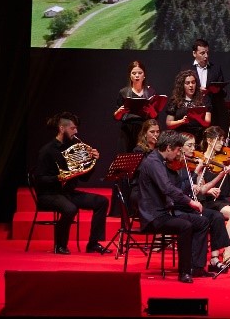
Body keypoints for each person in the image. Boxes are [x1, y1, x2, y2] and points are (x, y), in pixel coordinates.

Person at [134, 129, 215, 283]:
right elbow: (167, 188)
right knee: (185, 226)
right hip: (153, 216)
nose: (179, 153)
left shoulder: (161, 161)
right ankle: (184, 272)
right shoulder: (153, 162)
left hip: (164, 212)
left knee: (203, 221)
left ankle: (196, 267)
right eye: (178, 149)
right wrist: (190, 201)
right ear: (169, 147)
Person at [34, 111, 113, 255]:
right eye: (73, 128)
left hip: (68, 193)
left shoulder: (75, 146)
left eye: (76, 128)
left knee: (102, 202)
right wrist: (59, 177)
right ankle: (60, 245)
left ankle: (93, 244)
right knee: (70, 209)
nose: (76, 131)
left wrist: (92, 161)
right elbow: (39, 180)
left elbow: (83, 178)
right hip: (49, 194)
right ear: (61, 128)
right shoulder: (47, 151)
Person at [175, 130, 230, 272]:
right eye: (189, 146)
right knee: (209, 218)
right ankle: (198, 265)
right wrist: (197, 170)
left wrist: (221, 175)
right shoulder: (178, 165)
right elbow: (183, 189)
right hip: (182, 205)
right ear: (180, 147)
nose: (193, 149)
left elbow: (201, 190)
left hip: (192, 204)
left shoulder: (191, 163)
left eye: (193, 145)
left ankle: (215, 258)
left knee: (217, 217)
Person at [113, 60, 161, 152]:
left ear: (144, 75)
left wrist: (151, 111)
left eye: (140, 73)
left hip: (145, 129)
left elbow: (155, 117)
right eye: (134, 73)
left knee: (144, 155)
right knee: (128, 157)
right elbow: (116, 117)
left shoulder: (150, 92)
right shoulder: (124, 92)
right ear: (130, 76)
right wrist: (120, 112)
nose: (137, 75)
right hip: (128, 129)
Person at [188, 38, 227, 122]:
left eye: (207, 53)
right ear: (194, 53)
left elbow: (223, 92)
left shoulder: (216, 69)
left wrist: (217, 90)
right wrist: (197, 90)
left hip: (213, 112)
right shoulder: (187, 69)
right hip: (193, 111)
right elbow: (180, 90)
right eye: (202, 53)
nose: (206, 56)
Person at [164, 70, 209, 142]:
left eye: (193, 82)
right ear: (182, 85)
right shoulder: (175, 101)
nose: (191, 85)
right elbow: (169, 124)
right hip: (181, 139)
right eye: (187, 83)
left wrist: (198, 118)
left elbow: (207, 123)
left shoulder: (202, 100)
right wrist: (182, 121)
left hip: (198, 137)